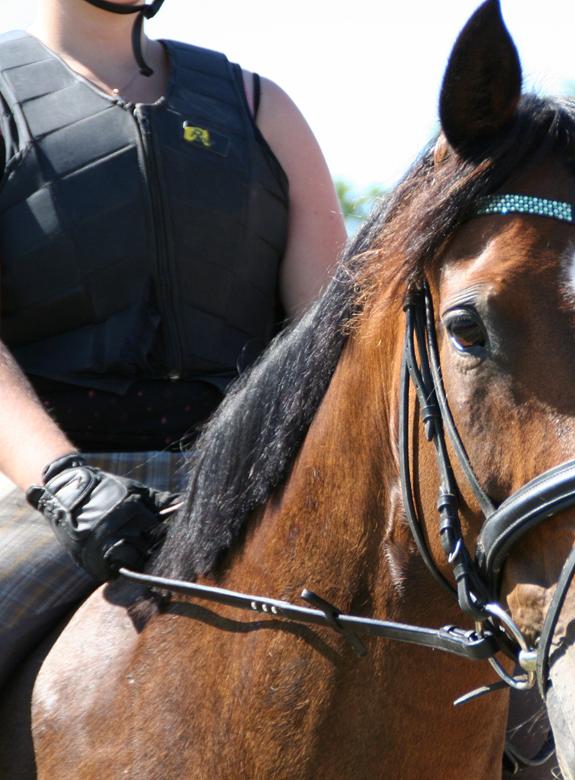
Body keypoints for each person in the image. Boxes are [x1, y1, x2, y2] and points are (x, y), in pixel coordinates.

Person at [0, 0, 348, 685]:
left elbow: (333, 341)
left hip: (256, 490)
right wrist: (61, 483)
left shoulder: (260, 108)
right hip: (44, 498)